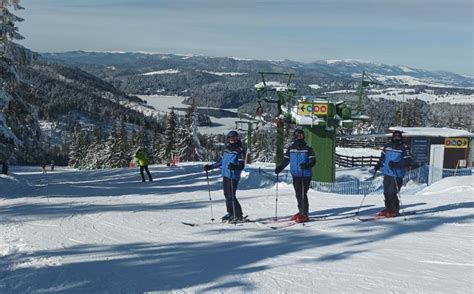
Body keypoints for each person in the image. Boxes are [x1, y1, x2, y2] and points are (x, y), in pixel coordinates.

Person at [204, 130, 246, 223]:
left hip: (233, 176)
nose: (233, 140)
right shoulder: (226, 149)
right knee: (227, 195)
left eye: (235, 138)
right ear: (228, 140)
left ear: (237, 139)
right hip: (226, 175)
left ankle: (238, 214)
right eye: (231, 139)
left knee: (231, 195)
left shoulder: (240, 150)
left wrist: (235, 166)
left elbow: (242, 165)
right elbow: (221, 162)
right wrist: (210, 167)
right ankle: (231, 212)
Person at [275, 129, 316, 223]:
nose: (298, 137)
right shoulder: (291, 148)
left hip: (305, 174)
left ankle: (305, 214)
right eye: (296, 136)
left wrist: (306, 165)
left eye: (300, 136)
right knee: (298, 194)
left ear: (303, 136)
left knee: (302, 194)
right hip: (295, 174)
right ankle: (301, 211)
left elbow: (313, 161)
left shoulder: (308, 148)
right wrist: (280, 168)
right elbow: (286, 160)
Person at [374, 130, 412, 217]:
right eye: (395, 136)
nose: (396, 138)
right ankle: (388, 208)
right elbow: (383, 157)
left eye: (398, 136)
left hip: (397, 174)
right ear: (392, 137)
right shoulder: (388, 146)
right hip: (387, 173)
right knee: (386, 192)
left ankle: (395, 210)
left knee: (392, 192)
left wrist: (396, 164)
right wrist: (379, 164)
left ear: (401, 137)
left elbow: (408, 161)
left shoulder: (404, 147)